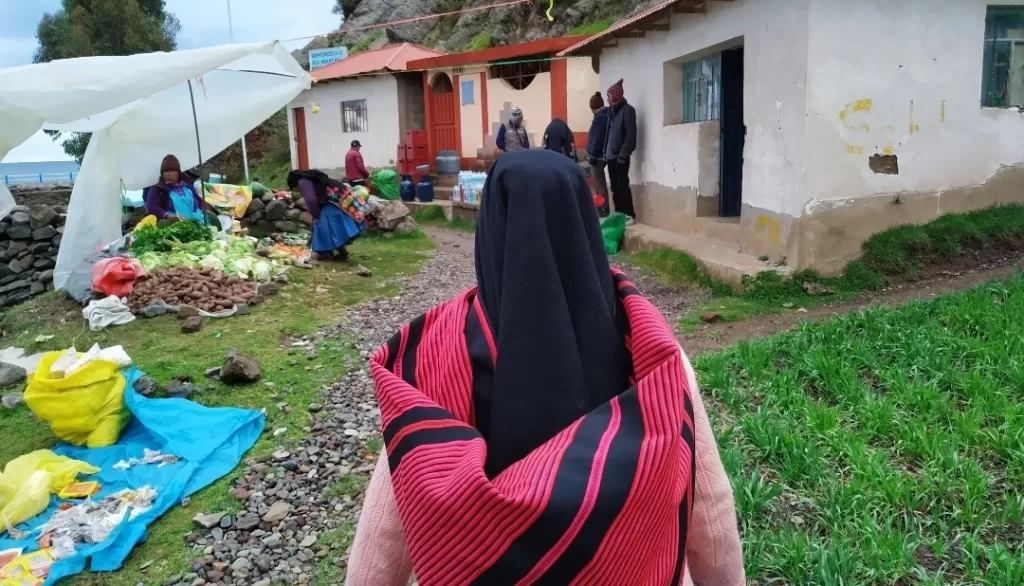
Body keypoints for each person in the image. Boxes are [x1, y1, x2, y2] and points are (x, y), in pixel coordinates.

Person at [345, 149, 745, 586]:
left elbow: (388, 524)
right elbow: (708, 508)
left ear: (491, 232)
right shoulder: (649, 352)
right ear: (584, 226)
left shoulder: (439, 355)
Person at [287, 170, 367, 261]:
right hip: (342, 198)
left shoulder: (303, 182)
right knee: (334, 229)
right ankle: (342, 252)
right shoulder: (311, 179)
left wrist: (316, 215)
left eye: (295, 189)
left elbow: (311, 200)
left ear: (294, 183)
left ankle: (324, 253)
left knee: (323, 226)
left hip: (335, 202)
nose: (298, 191)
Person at [144, 155, 218, 227]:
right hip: (175, 223)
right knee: (163, 223)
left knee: (212, 217)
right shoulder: (157, 188)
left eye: (172, 171)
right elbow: (152, 207)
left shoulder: (187, 185)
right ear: (162, 174)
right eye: (166, 171)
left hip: (197, 219)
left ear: (178, 173)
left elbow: (199, 200)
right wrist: (167, 216)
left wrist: (203, 208)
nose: (169, 174)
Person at [605, 78, 638, 221]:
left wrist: (623, 154)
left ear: (616, 97)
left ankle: (629, 215)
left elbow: (631, 133)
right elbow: (609, 133)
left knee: (622, 186)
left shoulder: (628, 110)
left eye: (609, 96)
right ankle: (619, 214)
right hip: (611, 156)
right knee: (614, 188)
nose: (607, 99)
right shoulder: (611, 112)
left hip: (620, 156)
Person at [587, 91, 611, 217]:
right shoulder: (605, 116)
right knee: (598, 184)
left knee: (599, 184)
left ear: (592, 107)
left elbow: (597, 138)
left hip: (597, 156)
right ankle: (602, 208)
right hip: (600, 155)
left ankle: (603, 209)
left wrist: (592, 154)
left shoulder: (600, 118)